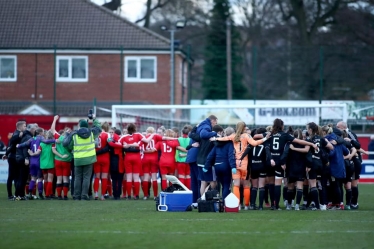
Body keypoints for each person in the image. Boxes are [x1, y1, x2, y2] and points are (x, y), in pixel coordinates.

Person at [214, 121, 270, 210]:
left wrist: (215, 139)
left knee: (236, 185)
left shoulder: (233, 136)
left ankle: (238, 205)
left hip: (235, 162)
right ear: (244, 128)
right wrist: (264, 139)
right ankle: (247, 205)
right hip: (244, 163)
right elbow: (254, 143)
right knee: (246, 185)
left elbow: (224, 138)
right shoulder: (246, 136)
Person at [63, 118, 101, 200]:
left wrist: (66, 135)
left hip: (78, 159)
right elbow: (99, 128)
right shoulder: (92, 133)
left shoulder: (74, 135)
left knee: (77, 177)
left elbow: (67, 145)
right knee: (86, 178)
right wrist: (94, 119)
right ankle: (84, 196)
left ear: (79, 126)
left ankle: (77, 196)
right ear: (87, 126)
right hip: (89, 159)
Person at [204, 127, 235, 201]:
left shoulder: (217, 144)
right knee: (226, 185)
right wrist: (233, 166)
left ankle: (219, 201)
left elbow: (211, 155)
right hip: (225, 166)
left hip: (217, 166)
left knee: (221, 184)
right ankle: (225, 203)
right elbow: (231, 156)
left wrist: (206, 166)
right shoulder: (230, 144)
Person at [336, 121, 361, 209]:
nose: (336, 128)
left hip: (353, 162)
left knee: (352, 184)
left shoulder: (350, 134)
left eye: (337, 127)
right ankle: (345, 203)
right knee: (345, 183)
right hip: (346, 163)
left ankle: (354, 203)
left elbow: (358, 146)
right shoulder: (340, 137)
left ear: (342, 127)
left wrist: (351, 155)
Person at [3, 121, 26, 200]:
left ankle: (17, 194)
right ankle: (13, 195)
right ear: (20, 127)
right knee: (13, 177)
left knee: (14, 177)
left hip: (12, 157)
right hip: (13, 157)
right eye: (24, 126)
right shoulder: (17, 134)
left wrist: (6, 154)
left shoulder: (16, 133)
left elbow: (11, 145)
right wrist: (7, 153)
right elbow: (12, 145)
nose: (25, 127)